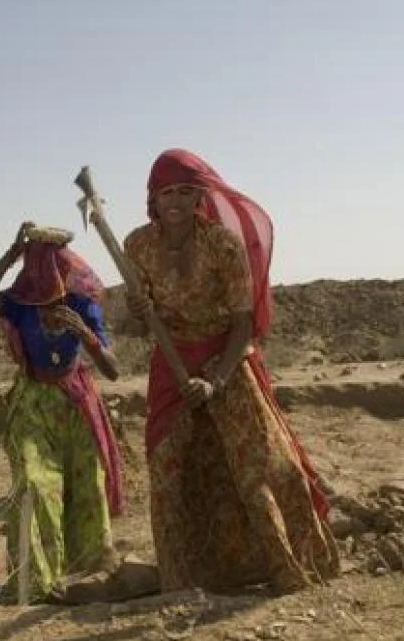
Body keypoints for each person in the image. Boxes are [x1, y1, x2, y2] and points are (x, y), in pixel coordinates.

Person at [122, 149, 339, 595]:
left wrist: (216, 379)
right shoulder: (136, 245)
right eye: (167, 193)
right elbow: (138, 323)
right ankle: (182, 582)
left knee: (256, 465)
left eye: (186, 191)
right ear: (153, 199)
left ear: (200, 195)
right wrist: (139, 313)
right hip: (170, 362)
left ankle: (288, 567)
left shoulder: (223, 245)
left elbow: (243, 324)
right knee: (166, 468)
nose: (177, 201)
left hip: (225, 357)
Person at [0, 222, 124, 602]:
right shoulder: (19, 304)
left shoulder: (81, 303)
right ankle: (37, 582)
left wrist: (87, 336)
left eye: (53, 261)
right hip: (33, 400)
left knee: (88, 481)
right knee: (35, 483)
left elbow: (113, 369)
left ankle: (88, 573)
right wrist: (10, 254)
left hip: (75, 400)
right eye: (35, 260)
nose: (45, 270)